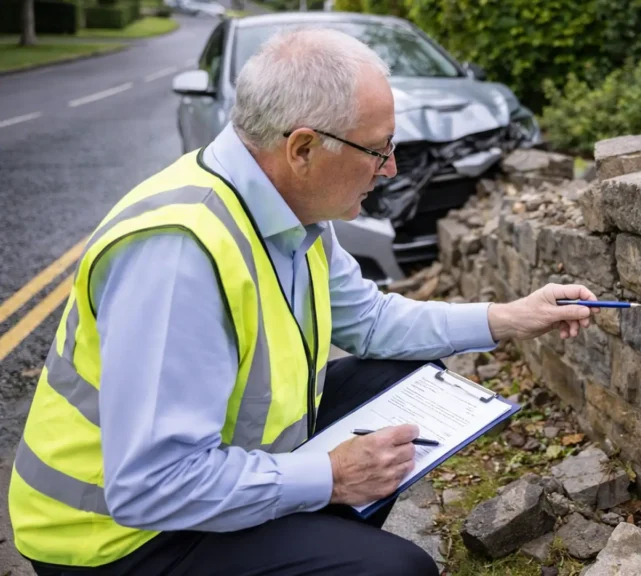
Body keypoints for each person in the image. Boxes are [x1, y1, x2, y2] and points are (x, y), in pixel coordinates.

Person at [8, 26, 596, 576]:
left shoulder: (288, 210)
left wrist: (513, 317)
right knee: (397, 570)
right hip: (116, 536)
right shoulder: (178, 254)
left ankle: (312, 537)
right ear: (303, 148)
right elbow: (152, 485)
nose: (390, 168)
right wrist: (330, 477)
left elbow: (371, 322)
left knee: (409, 381)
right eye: (378, 148)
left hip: (210, 466)